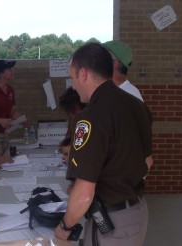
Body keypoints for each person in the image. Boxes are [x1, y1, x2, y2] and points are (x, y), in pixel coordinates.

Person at [54, 43, 152, 246]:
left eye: (72, 78)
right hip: (136, 213)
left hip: (112, 223)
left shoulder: (90, 117)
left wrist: (64, 228)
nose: (73, 86)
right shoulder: (138, 106)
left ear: (83, 73)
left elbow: (84, 193)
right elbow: (147, 163)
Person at [104, 40, 154, 174]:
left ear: (114, 63)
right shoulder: (112, 93)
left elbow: (142, 152)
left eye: (102, 59)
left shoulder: (130, 96)